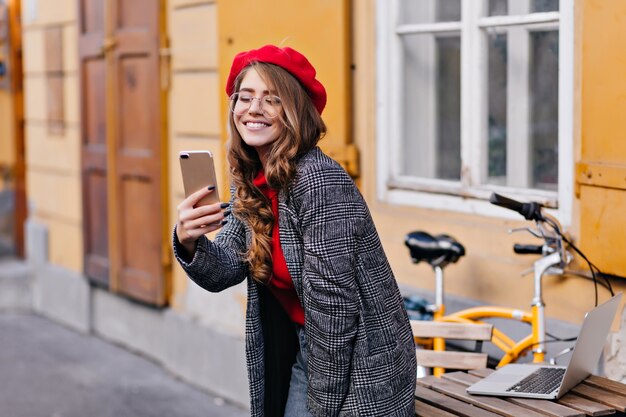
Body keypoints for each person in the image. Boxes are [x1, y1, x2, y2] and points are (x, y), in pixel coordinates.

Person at [173, 44, 416, 417]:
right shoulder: (252, 179)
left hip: (361, 364)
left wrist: (320, 409)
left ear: (295, 112)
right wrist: (190, 241)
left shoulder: (318, 182)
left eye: (271, 100)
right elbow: (226, 269)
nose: (253, 109)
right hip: (306, 347)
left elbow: (334, 315)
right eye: (245, 96)